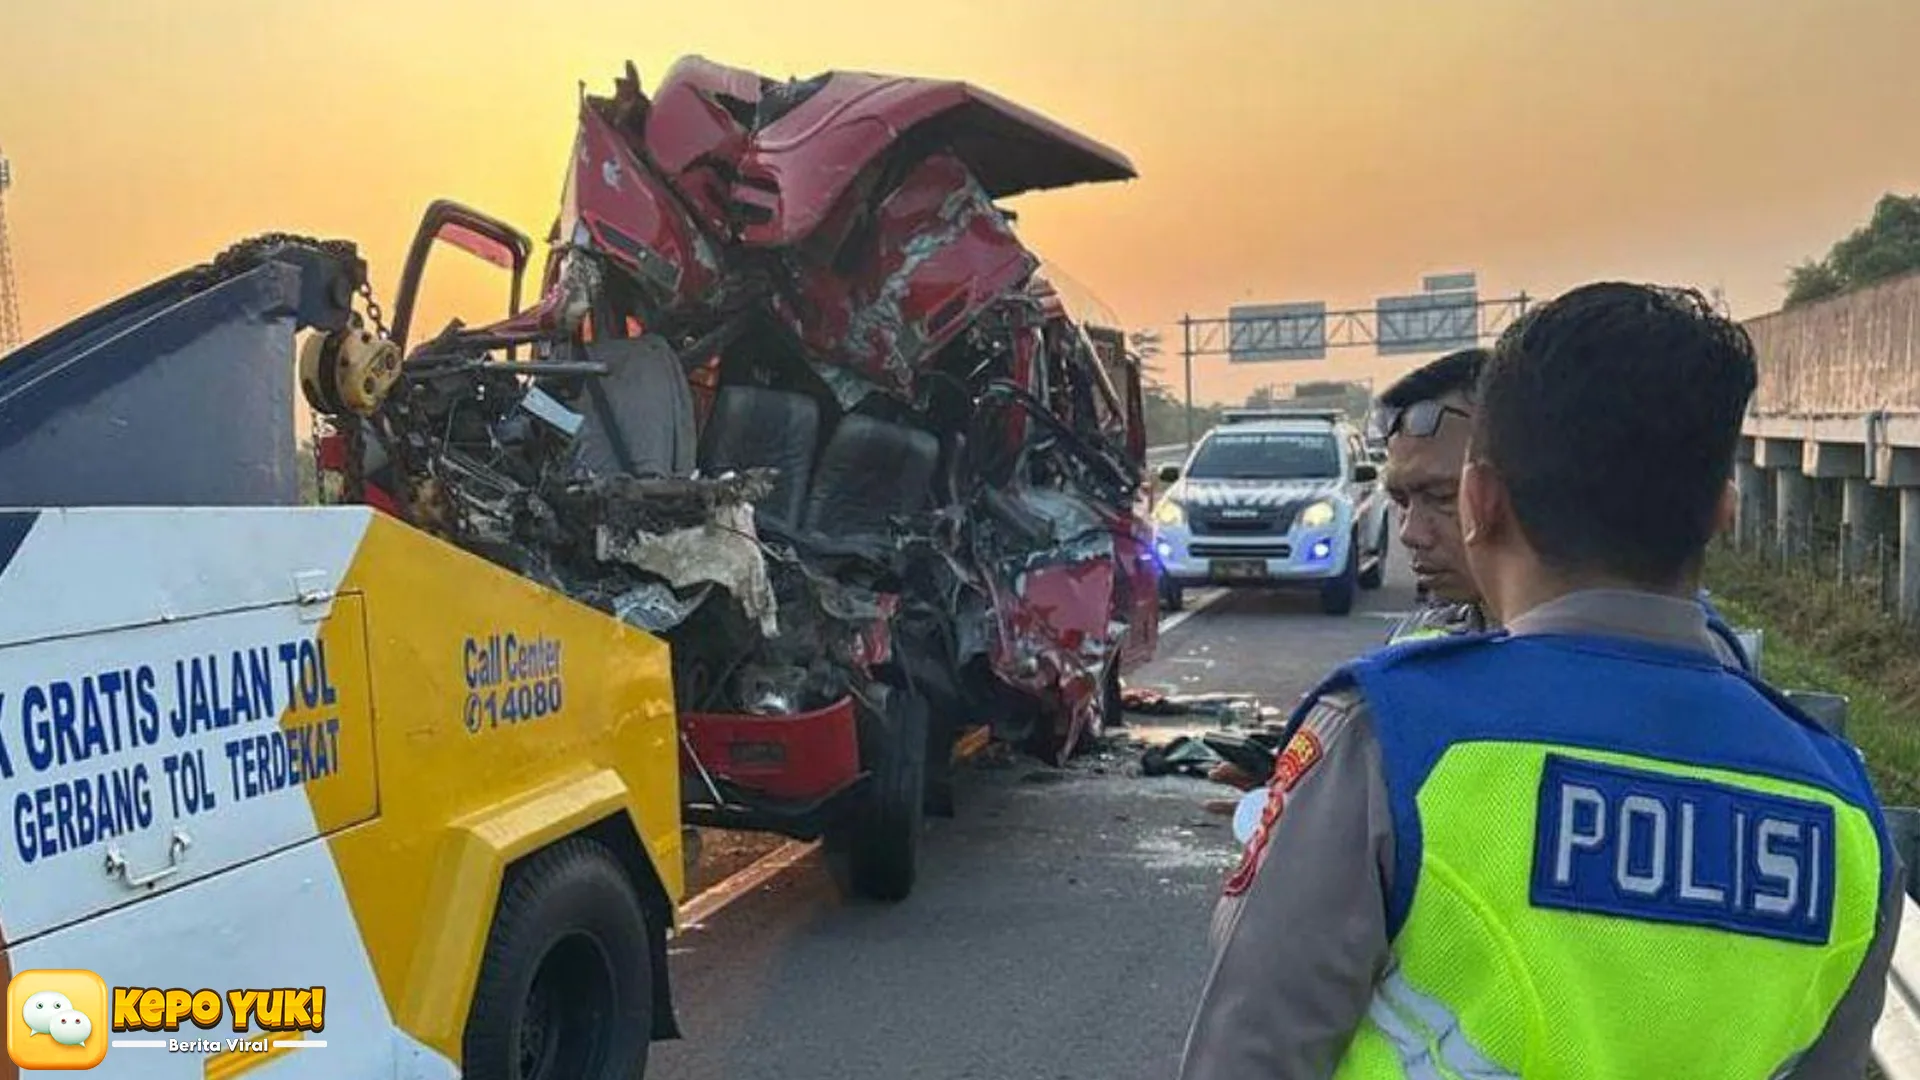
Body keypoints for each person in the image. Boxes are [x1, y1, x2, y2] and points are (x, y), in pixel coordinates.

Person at [1180, 282, 1900, 1079]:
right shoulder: (1843, 810)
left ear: (1479, 499)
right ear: (1722, 514)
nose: (1416, 529)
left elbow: (1248, 1055)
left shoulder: (1394, 736)